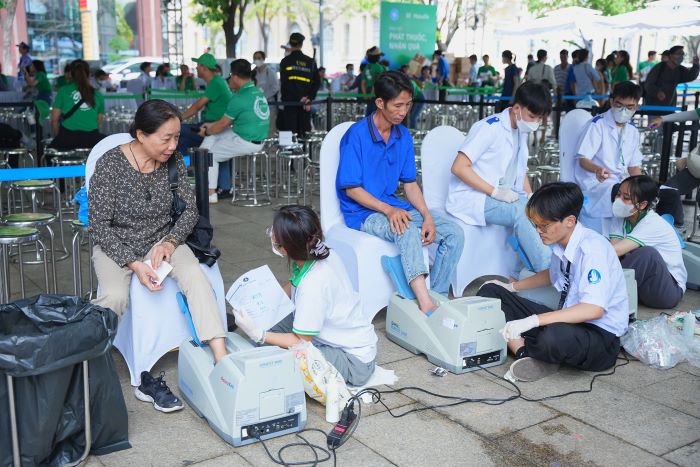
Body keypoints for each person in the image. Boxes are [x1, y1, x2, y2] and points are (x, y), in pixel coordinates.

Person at [89, 100, 228, 411]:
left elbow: (190, 210)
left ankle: (220, 354)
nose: (173, 145)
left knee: (194, 274)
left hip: (162, 240)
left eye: (177, 137)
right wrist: (133, 264)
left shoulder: (174, 161)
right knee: (113, 296)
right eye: (166, 138)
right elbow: (98, 224)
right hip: (117, 244)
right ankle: (89, 364)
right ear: (141, 134)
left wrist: (170, 242)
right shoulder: (110, 164)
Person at [336, 71, 464, 313]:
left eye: (408, 105)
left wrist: (426, 216)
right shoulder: (357, 135)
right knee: (404, 228)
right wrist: (389, 209)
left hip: (393, 206)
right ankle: (424, 303)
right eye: (397, 105)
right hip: (362, 213)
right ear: (380, 103)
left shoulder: (402, 135)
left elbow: (410, 184)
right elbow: (352, 190)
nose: (403, 112)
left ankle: (434, 294)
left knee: (454, 233)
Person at [478, 182, 628, 382]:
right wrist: (511, 287)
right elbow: (552, 274)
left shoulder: (593, 250)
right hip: (567, 320)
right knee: (490, 291)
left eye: (544, 225)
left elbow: (594, 309)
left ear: (570, 221)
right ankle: (526, 354)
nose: (539, 231)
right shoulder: (561, 243)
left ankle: (523, 349)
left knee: (552, 337)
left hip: (599, 336)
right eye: (536, 225)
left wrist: (533, 321)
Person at [233, 206, 378, 386]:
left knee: (276, 360)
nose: (271, 235)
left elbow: (301, 340)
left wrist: (258, 334)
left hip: (354, 361)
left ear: (286, 248)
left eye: (274, 233)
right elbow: (294, 283)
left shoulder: (313, 284)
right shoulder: (321, 253)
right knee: (268, 325)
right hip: (344, 337)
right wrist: (263, 302)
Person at [447, 82, 552, 273]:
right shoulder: (488, 128)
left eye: (539, 118)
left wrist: (531, 197)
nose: (535, 122)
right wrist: (495, 192)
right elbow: (459, 167)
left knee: (541, 208)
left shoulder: (520, 131)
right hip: (475, 196)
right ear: (517, 109)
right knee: (521, 212)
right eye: (532, 116)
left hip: (505, 194)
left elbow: (521, 171)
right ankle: (547, 271)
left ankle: (527, 271)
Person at [574, 81, 643, 234]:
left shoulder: (632, 131)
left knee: (657, 193)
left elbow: (633, 167)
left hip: (620, 182)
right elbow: (583, 159)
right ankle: (625, 240)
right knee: (623, 194)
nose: (623, 110)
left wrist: (645, 186)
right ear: (611, 101)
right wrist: (598, 169)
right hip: (596, 183)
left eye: (629, 107)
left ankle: (635, 237)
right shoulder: (597, 125)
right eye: (619, 105)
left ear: (637, 107)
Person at [198, 59, 269, 204]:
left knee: (211, 155)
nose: (229, 79)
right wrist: (210, 127)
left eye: (230, 75)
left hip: (247, 141)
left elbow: (222, 125)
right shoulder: (256, 91)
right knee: (211, 139)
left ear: (235, 76)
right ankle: (201, 167)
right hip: (247, 134)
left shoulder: (239, 98)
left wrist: (206, 131)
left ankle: (210, 193)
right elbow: (222, 125)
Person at [609, 175, 686, 309]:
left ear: (643, 204)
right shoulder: (621, 218)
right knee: (605, 246)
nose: (618, 200)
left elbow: (615, 251)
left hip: (667, 291)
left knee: (648, 254)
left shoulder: (652, 223)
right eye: (618, 195)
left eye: (626, 198)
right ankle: (606, 291)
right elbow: (613, 252)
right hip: (643, 288)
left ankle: (604, 294)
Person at [177, 53, 233, 196]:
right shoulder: (216, 81)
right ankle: (188, 172)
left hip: (214, 127)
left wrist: (177, 119)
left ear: (204, 68)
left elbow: (197, 106)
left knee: (180, 130)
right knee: (181, 139)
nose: (196, 68)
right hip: (213, 125)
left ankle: (189, 174)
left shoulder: (216, 82)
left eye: (198, 65)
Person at [652, 109, 700, 227]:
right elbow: (689, 114)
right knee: (667, 188)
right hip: (697, 166)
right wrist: (663, 119)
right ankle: (673, 227)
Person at [50, 59, 106, 150]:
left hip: (67, 138)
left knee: (50, 154)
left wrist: (58, 137)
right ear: (88, 74)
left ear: (70, 74)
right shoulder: (98, 94)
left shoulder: (63, 91)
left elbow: (54, 120)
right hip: (92, 139)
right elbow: (99, 121)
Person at [278, 32, 319, 136]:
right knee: (304, 133)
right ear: (301, 44)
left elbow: (285, 83)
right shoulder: (310, 62)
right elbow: (316, 82)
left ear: (290, 43)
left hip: (290, 104)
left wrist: (299, 98)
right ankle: (305, 152)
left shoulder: (285, 61)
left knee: (290, 134)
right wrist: (308, 98)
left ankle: (290, 152)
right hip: (306, 105)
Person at [360, 46, 387, 115]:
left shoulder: (366, 67)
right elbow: (377, 82)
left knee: (369, 113)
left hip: (368, 91)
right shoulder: (381, 68)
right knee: (377, 114)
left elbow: (363, 83)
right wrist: (373, 93)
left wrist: (365, 94)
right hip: (378, 92)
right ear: (377, 57)